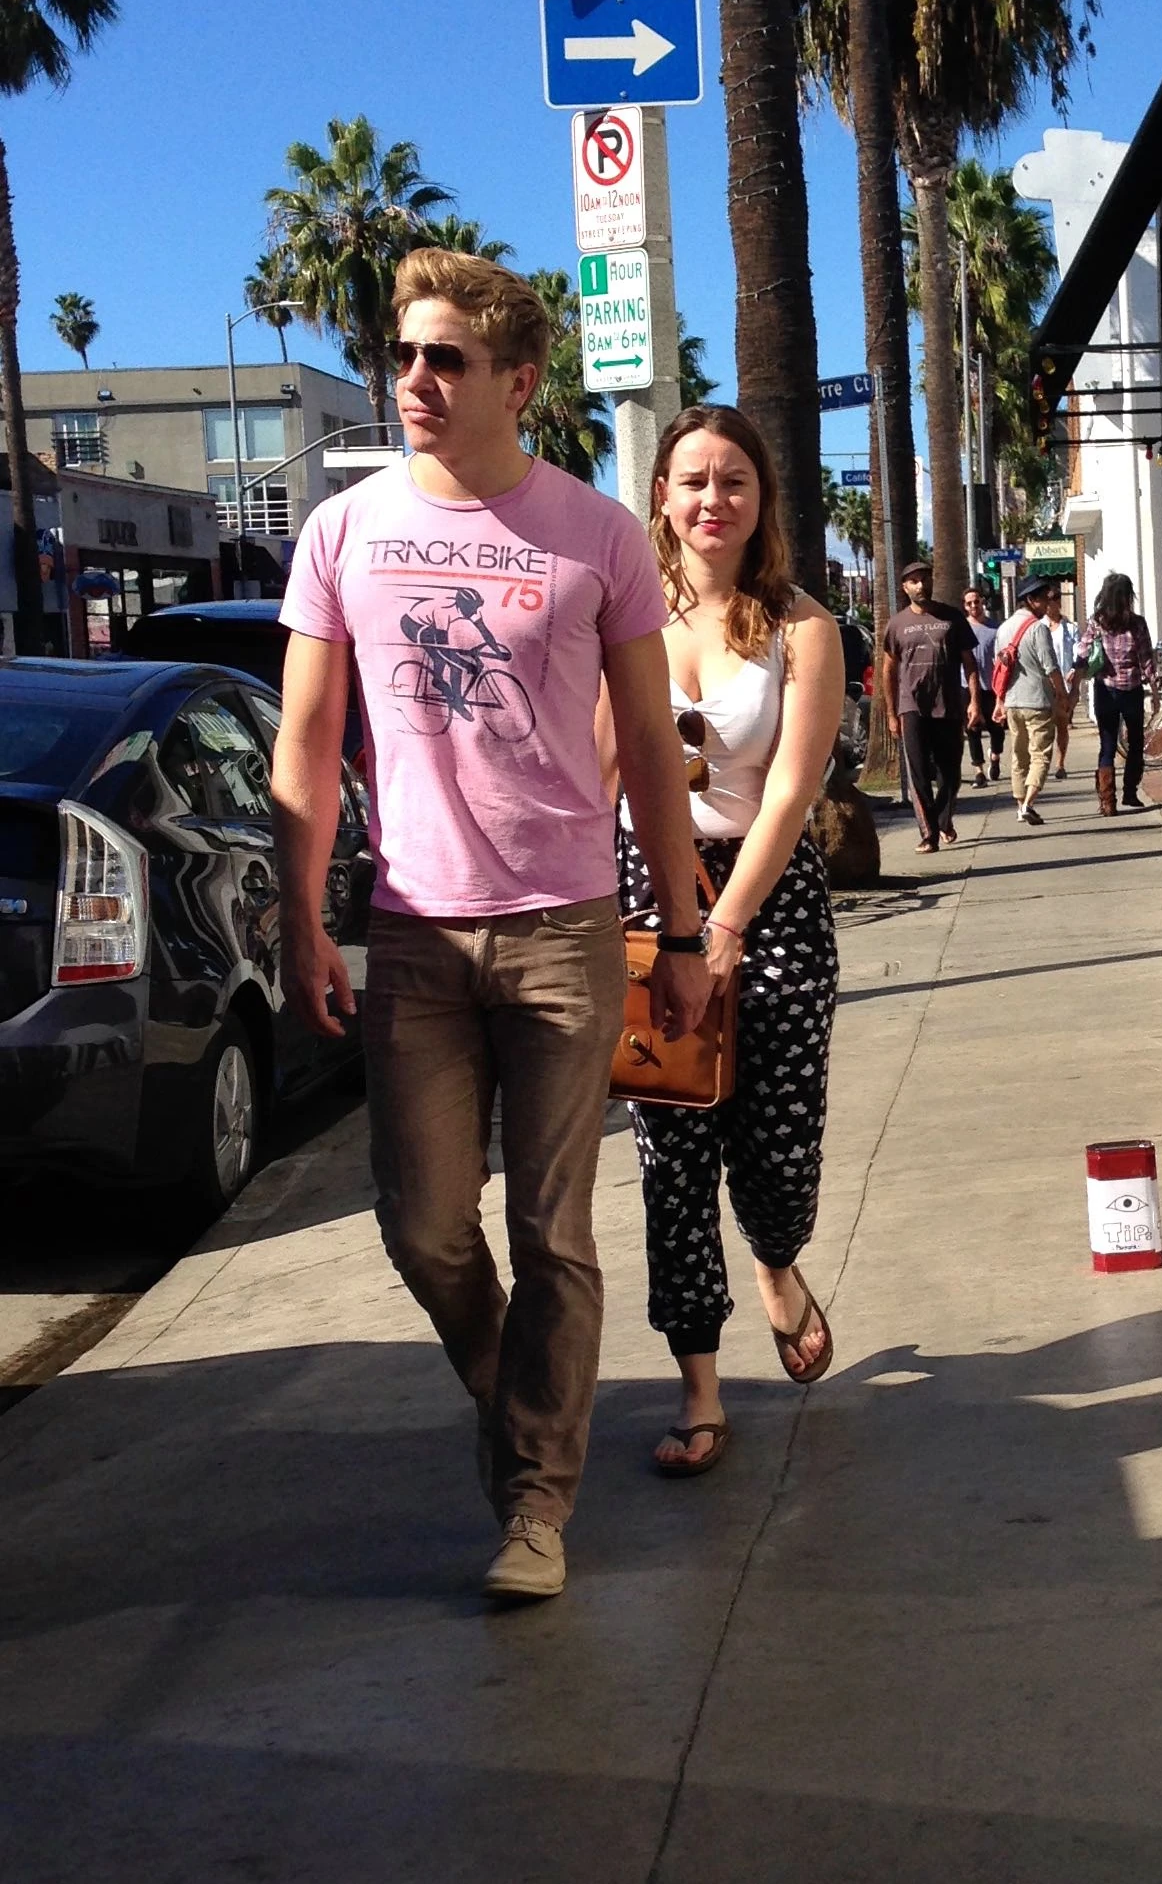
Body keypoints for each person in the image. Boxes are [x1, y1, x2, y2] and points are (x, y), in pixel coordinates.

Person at [272, 250, 712, 1602]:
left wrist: (685, 936)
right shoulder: (342, 534)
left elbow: (648, 744)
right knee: (422, 1227)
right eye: (405, 355)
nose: (415, 378)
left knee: (554, 1225)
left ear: (517, 381)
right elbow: (303, 742)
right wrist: (301, 920)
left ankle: (534, 1502)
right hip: (411, 931)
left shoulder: (595, 535)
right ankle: (521, 1380)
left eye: (445, 357)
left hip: (567, 925)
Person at [608, 404, 845, 1477]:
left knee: (776, 1148)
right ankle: (698, 1386)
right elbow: (598, 775)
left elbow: (793, 791)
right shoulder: (623, 623)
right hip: (649, 894)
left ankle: (780, 1261)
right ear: (661, 492)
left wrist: (731, 924)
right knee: (671, 1159)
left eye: (734, 480)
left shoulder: (802, 626)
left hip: (770, 895)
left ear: (761, 502)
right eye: (692, 478)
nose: (712, 498)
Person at [880, 557, 981, 852]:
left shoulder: (952, 617)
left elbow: (969, 663)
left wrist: (974, 701)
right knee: (920, 773)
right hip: (912, 708)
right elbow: (888, 669)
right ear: (904, 587)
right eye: (914, 581)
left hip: (948, 705)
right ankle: (929, 834)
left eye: (925, 578)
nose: (921, 585)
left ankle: (942, 819)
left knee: (951, 776)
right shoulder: (897, 624)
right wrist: (891, 713)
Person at [1071, 572, 1157, 816]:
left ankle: (1108, 801)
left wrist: (1075, 676)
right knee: (1136, 741)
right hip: (1132, 689)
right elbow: (1146, 658)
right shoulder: (1137, 623)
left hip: (1105, 688)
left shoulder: (1097, 622)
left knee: (1107, 743)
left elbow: (1084, 651)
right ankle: (1130, 791)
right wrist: (1153, 687)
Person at [994, 577, 1067, 827]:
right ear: (1031, 600)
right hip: (1037, 701)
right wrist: (1062, 693)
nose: (1048, 603)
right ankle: (1028, 804)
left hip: (1013, 702)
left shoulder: (1004, 628)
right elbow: (1051, 666)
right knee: (1040, 755)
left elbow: (999, 668)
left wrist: (999, 701)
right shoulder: (1038, 628)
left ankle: (1019, 806)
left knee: (1019, 755)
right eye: (1045, 598)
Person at [961, 585, 1003, 788]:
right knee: (972, 729)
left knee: (996, 727)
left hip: (991, 686)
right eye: (969, 603)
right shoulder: (961, 628)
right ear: (965, 606)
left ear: (982, 602)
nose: (973, 606)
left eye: (976, 602)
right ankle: (978, 770)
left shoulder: (995, 629)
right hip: (966, 686)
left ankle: (995, 758)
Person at [1044, 597, 1078, 778]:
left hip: (1063, 684)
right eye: (1046, 602)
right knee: (1044, 728)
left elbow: (1078, 653)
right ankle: (1042, 763)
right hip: (1044, 685)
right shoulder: (1038, 627)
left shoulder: (1070, 629)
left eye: (1052, 602)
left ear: (1058, 603)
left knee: (1062, 725)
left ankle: (1060, 763)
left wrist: (1073, 670)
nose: (1049, 606)